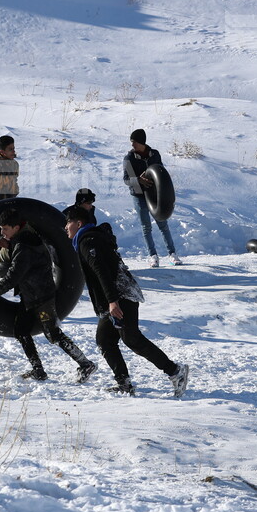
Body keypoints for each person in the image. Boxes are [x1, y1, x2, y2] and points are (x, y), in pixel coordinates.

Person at [63, 206, 189, 397]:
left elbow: (101, 272)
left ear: (78, 223)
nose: (65, 227)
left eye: (68, 222)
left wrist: (113, 301)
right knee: (105, 340)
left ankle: (175, 372)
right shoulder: (90, 238)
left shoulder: (87, 242)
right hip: (118, 295)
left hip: (120, 296)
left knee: (132, 339)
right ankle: (125, 384)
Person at [0, 208, 96, 383]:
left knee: (52, 334)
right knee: (21, 331)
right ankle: (38, 369)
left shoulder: (24, 246)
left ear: (16, 227)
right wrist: (9, 245)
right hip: (30, 295)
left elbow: (14, 275)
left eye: (6, 229)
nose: (2, 232)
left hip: (41, 298)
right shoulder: (23, 239)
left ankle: (85, 364)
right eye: (1, 228)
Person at [122, 129, 181, 268]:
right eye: (131, 142)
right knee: (146, 227)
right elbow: (126, 179)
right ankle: (153, 256)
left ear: (142, 142)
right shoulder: (129, 158)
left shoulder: (154, 154)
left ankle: (172, 254)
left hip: (154, 193)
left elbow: (160, 171)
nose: (132, 145)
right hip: (139, 195)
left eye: (134, 142)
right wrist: (138, 180)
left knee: (163, 224)